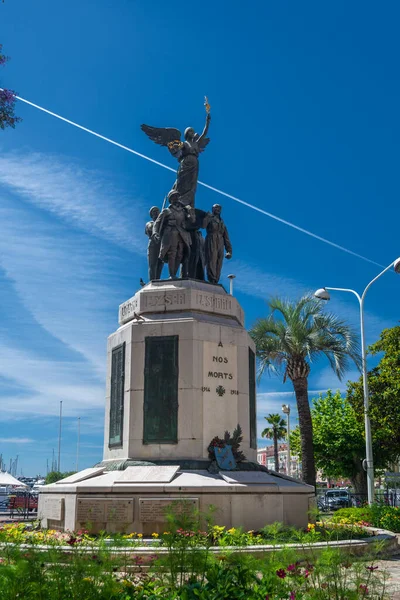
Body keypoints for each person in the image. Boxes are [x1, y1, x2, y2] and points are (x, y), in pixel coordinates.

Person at [153, 190, 195, 279]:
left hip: (182, 234)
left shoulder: (183, 211)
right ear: (170, 199)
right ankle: (171, 274)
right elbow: (157, 223)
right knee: (172, 253)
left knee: (180, 254)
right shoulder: (166, 211)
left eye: (177, 196)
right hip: (171, 233)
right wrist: (155, 233)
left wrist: (190, 211)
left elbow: (192, 221)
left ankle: (174, 274)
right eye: (174, 197)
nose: (176, 198)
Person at [204, 204, 232, 284]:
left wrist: (229, 251)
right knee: (212, 259)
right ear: (212, 209)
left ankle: (216, 280)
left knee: (219, 261)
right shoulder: (209, 218)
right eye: (216, 208)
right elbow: (203, 226)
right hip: (211, 239)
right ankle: (212, 279)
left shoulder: (222, 222)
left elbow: (226, 237)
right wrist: (206, 217)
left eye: (219, 208)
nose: (218, 209)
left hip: (220, 242)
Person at [145, 206, 163, 281]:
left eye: (157, 211)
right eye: (154, 212)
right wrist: (158, 223)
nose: (156, 213)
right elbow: (150, 228)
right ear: (151, 215)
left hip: (161, 244)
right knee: (152, 264)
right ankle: (152, 281)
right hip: (153, 245)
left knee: (160, 265)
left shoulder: (162, 223)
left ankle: (157, 281)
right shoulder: (150, 223)